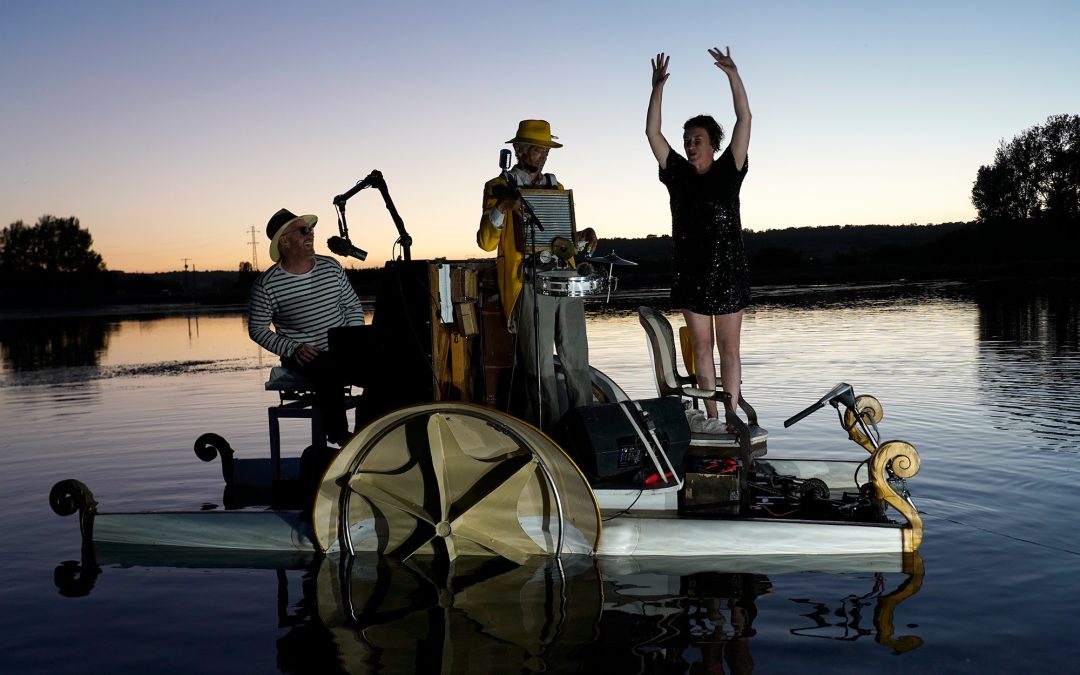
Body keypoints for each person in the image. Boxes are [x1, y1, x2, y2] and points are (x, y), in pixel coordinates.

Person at [646, 47, 752, 434]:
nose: (690, 145)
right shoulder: (677, 175)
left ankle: (732, 417)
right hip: (691, 274)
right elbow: (652, 133)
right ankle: (711, 421)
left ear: (713, 143)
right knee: (702, 349)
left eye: (698, 139)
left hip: (728, 274)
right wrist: (657, 88)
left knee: (729, 349)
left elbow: (745, 117)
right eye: (688, 139)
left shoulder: (730, 170)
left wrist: (732, 75)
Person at [477, 120, 598, 430]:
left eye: (546, 150)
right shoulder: (498, 188)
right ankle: (548, 433)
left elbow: (560, 241)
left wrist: (582, 237)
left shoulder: (556, 189)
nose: (543, 155)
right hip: (528, 283)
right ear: (519, 150)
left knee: (576, 361)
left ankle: (585, 430)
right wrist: (502, 208)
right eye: (536, 149)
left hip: (563, 280)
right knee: (539, 365)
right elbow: (485, 241)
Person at [248, 207, 366, 446]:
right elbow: (257, 329)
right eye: (303, 230)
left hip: (344, 349)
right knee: (328, 368)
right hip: (303, 356)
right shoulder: (266, 285)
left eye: (311, 228)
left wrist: (355, 340)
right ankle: (341, 437)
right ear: (285, 241)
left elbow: (353, 307)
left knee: (389, 368)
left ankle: (371, 434)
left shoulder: (331, 267)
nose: (310, 233)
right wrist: (293, 348)